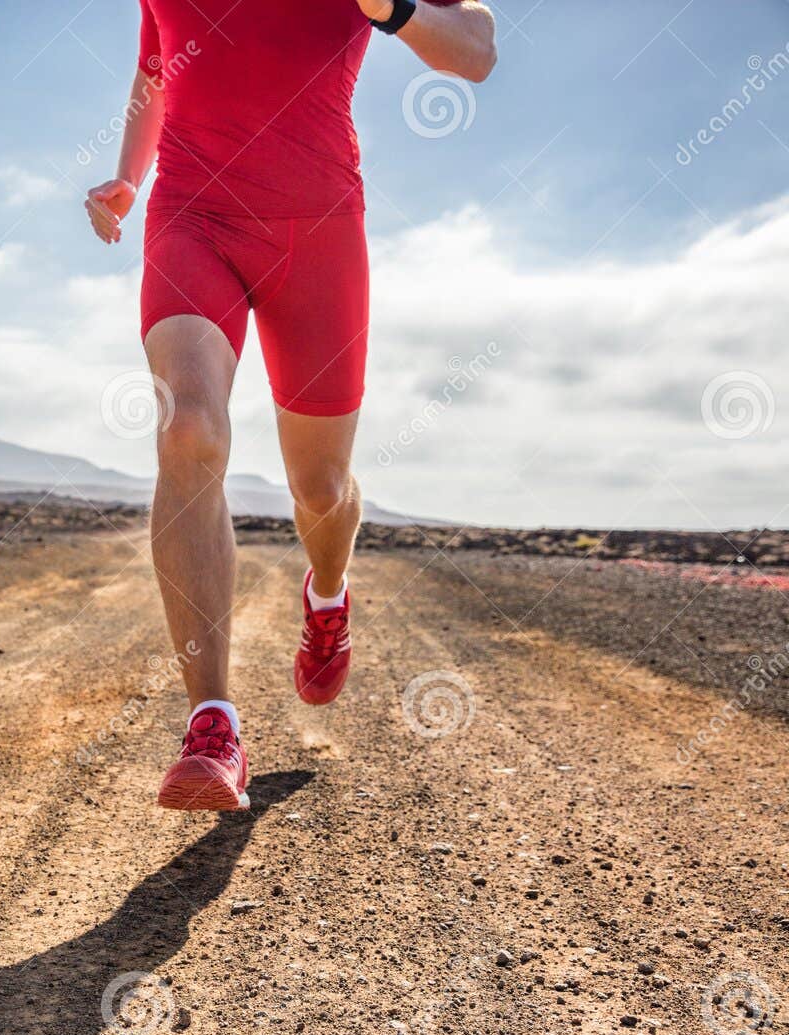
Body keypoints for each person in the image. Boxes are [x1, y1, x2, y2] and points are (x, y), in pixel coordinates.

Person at [86, 0, 497, 811]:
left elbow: (476, 50)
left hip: (319, 230)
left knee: (322, 488)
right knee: (189, 423)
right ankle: (212, 724)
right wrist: (131, 174)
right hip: (191, 216)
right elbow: (154, 67)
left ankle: (328, 594)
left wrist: (395, 8)